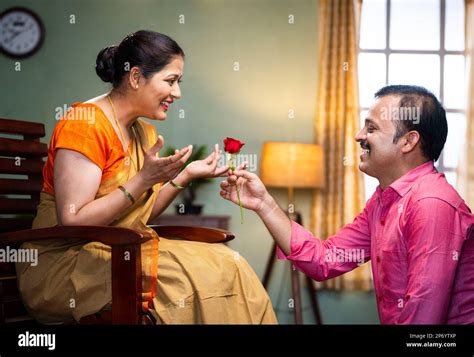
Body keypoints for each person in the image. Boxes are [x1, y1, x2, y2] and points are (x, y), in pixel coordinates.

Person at [17, 30, 276, 324]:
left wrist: (185, 175)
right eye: (171, 81)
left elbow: (137, 213)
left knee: (230, 264)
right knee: (186, 277)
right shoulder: (86, 125)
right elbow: (73, 222)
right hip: (66, 264)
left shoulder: (144, 132)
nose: (177, 93)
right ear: (136, 77)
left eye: (179, 82)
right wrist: (143, 179)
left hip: (116, 251)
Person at [221, 85, 474, 324]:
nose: (358, 136)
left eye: (371, 129)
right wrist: (264, 203)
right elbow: (324, 260)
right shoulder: (383, 200)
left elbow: (422, 320)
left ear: (408, 142)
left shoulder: (432, 204)